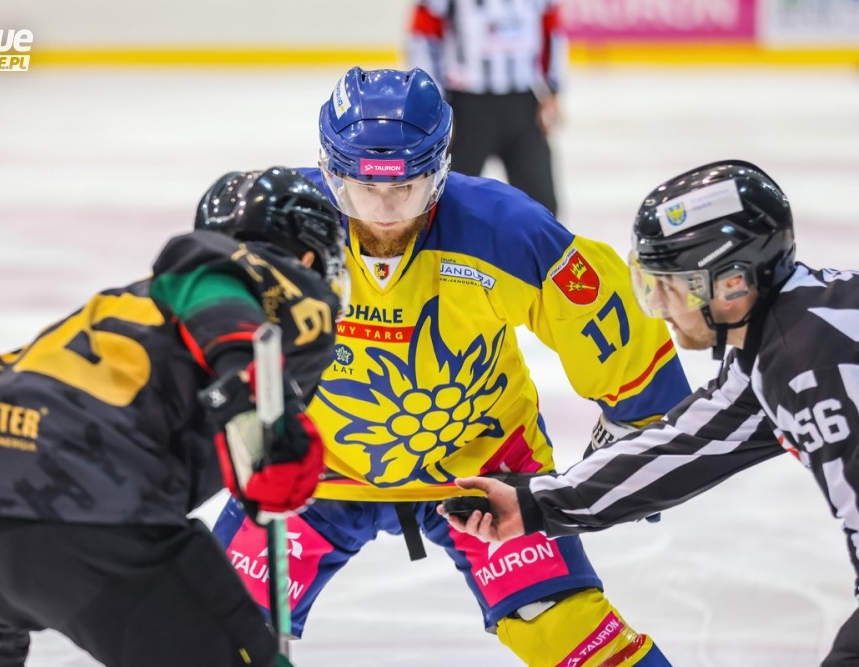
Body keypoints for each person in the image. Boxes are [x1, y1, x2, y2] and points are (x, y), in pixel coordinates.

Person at [212, 67, 692, 666]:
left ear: (440, 170)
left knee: (562, 627)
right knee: (209, 632)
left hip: (484, 471)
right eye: (362, 188)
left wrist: (645, 430)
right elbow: (198, 327)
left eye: (406, 187)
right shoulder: (277, 227)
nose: (384, 210)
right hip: (312, 471)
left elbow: (604, 314)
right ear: (330, 172)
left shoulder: (504, 229)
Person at [0, 167, 348, 667]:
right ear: (309, 257)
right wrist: (254, 402)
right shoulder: (261, 280)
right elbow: (210, 275)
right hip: (75, 503)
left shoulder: (128, 311)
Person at [445, 159, 859, 665]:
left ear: (732, 284)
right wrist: (532, 503)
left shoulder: (810, 373)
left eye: (671, 286)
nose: (659, 307)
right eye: (649, 284)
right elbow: (684, 446)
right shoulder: (781, 340)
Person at [407, 0, 566, 215]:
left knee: (542, 204)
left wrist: (553, 90)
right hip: (467, 107)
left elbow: (550, 27)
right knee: (449, 203)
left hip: (523, 103)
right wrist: (434, 103)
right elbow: (423, 34)